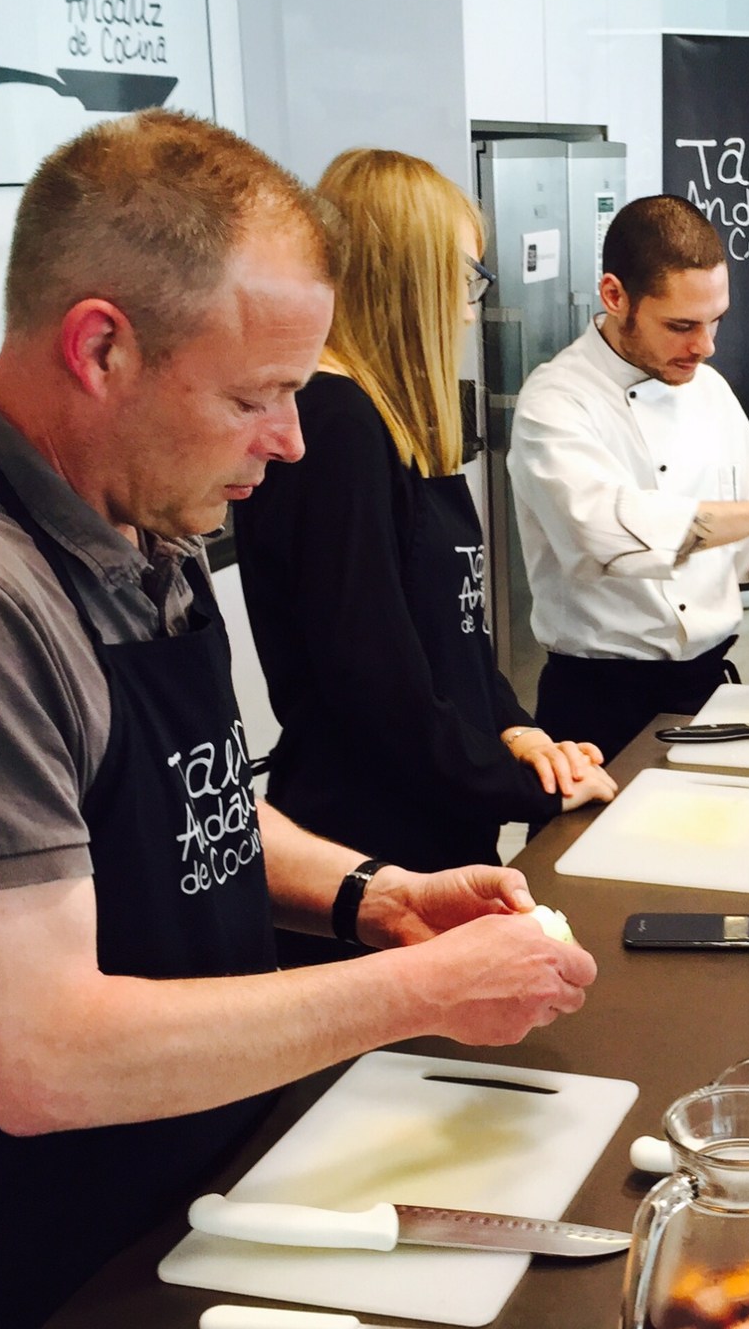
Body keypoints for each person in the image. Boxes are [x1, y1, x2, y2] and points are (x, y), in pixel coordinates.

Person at [0, 112, 595, 1329]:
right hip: (1, 1301)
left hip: (164, 1220)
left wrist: (371, 894)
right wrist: (425, 992)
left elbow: (180, 803)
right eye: (259, 393)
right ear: (101, 348)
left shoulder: (139, 527)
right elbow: (43, 1054)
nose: (294, 442)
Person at [233, 148, 614, 961]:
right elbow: (376, 687)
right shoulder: (332, 430)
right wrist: (527, 788)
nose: (473, 307)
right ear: (406, 275)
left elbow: (454, 637)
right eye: (467, 276)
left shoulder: (385, 423)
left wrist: (520, 736)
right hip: (370, 843)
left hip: (435, 822)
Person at [509, 195, 749, 763]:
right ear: (615, 296)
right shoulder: (555, 402)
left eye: (715, 322)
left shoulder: (707, 390)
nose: (705, 347)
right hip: (597, 708)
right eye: (681, 325)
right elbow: (606, 534)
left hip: (708, 692)